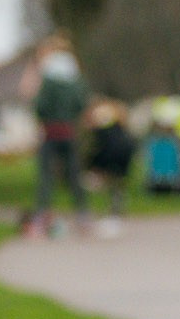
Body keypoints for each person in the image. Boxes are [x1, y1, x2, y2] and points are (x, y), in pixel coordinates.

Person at [30, 39, 90, 234]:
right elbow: (81, 103)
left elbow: (40, 106)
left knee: (46, 175)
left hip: (50, 132)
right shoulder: (75, 78)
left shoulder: (48, 78)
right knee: (74, 175)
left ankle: (42, 213)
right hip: (69, 131)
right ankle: (82, 214)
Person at [84, 100, 137, 234]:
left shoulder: (101, 124)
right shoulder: (114, 116)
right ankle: (115, 210)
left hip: (114, 153)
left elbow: (104, 147)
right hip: (124, 151)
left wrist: (95, 165)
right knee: (117, 184)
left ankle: (110, 212)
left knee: (108, 183)